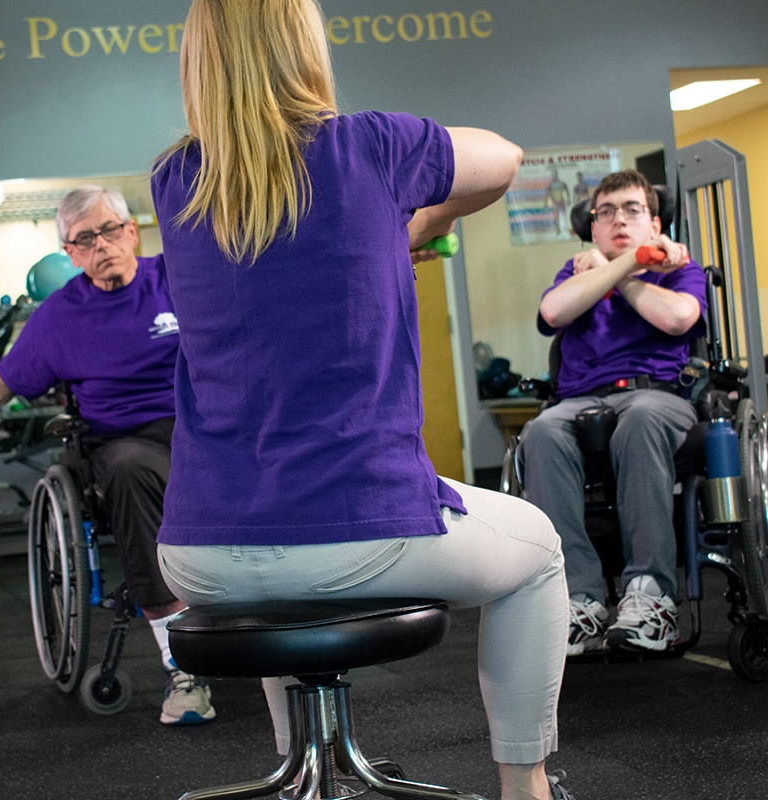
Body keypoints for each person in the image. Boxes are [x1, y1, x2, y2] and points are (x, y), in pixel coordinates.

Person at [150, 2, 573, 799]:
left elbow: (274, 250)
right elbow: (505, 159)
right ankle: (528, 789)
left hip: (201, 551)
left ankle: (300, 773)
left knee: (275, 581)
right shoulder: (370, 146)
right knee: (540, 550)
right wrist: (416, 215)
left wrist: (394, 228)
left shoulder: (176, 180)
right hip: (360, 535)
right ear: (302, 43)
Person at [0, 185, 216, 727]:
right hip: (123, 442)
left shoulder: (179, 277)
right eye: (85, 239)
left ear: (132, 232)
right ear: (71, 253)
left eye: (109, 230)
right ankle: (183, 666)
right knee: (130, 471)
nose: (101, 244)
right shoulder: (61, 317)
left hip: (202, 427)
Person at [518, 169, 707, 656]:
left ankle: (651, 596)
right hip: (579, 401)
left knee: (640, 419)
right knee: (540, 432)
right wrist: (617, 267)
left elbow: (680, 317)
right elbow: (555, 313)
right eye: (606, 212)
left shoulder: (679, 269)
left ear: (654, 224)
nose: (619, 219)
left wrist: (619, 272)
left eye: (631, 210)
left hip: (657, 397)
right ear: (593, 228)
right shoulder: (574, 270)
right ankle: (578, 600)